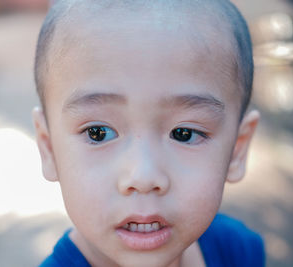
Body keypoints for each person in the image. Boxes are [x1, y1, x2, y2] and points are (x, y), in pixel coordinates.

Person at [32, 0, 265, 266]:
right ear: (48, 148)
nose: (143, 177)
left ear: (237, 148)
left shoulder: (238, 250)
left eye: (184, 133)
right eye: (98, 133)